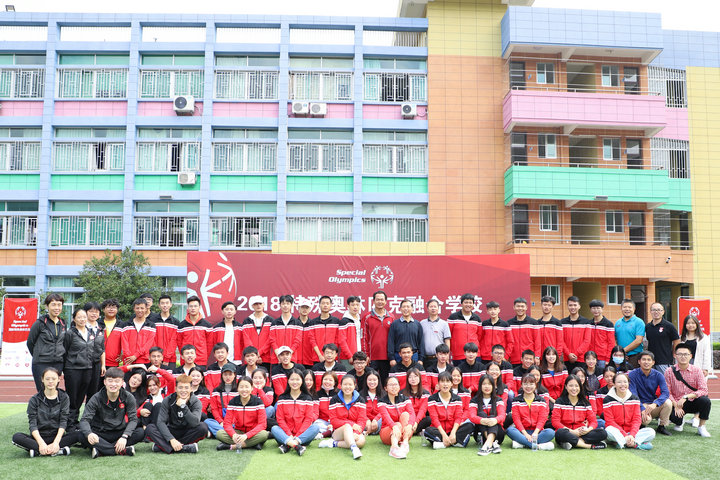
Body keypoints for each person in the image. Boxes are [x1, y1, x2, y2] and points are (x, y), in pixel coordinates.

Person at [12, 367, 81, 457]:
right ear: (42, 380)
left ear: (59, 379)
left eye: (53, 379)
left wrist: (56, 442)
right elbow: (32, 424)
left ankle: (38, 451)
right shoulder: (34, 399)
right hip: (39, 437)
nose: (50, 381)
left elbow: (63, 421)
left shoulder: (64, 397)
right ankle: (57, 451)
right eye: (47, 379)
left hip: (57, 437)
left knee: (79, 434)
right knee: (17, 437)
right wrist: (41, 443)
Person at [79, 367, 144, 458]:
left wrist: (124, 436)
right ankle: (122, 450)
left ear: (122, 382)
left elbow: (133, 419)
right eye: (110, 381)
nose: (113, 384)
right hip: (100, 433)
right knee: (82, 435)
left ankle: (102, 450)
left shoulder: (128, 397)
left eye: (117, 381)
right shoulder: (96, 398)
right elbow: (84, 420)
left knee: (140, 432)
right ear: (105, 382)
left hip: (119, 432)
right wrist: (89, 434)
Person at [146, 374, 208, 454]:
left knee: (203, 427)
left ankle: (165, 446)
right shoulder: (168, 400)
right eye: (180, 387)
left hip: (187, 432)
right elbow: (161, 422)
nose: (183, 390)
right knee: (150, 428)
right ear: (175, 389)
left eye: (186, 388)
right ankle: (183, 448)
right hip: (171, 430)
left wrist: (183, 406)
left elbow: (195, 422)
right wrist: (171, 439)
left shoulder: (196, 402)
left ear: (191, 389)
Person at [64, 308, 104, 428]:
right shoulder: (70, 333)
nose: (82, 319)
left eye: (84, 317)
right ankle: (70, 424)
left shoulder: (91, 332)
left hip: (88, 369)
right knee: (73, 397)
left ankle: (79, 423)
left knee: (81, 397)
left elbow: (96, 349)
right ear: (74, 319)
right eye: (79, 317)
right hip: (73, 369)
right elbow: (65, 351)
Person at [664, 343, 711, 437]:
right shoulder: (669, 371)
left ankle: (701, 427)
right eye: (680, 354)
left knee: (705, 401)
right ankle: (680, 422)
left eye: (686, 354)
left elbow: (704, 390)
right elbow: (667, 391)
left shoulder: (697, 370)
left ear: (691, 356)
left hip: (693, 401)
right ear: (675, 355)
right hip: (677, 403)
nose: (683, 357)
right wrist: (675, 405)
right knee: (674, 417)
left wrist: (686, 397)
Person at [271, 369, 319, 455]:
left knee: (315, 427)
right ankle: (297, 446)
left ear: (302, 381)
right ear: (288, 381)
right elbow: (280, 419)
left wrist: (297, 436)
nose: (295, 382)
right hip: (285, 435)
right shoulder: (282, 398)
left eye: (297, 379)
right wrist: (289, 435)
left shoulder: (307, 398)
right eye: (292, 379)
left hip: (302, 437)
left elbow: (308, 419)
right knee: (274, 428)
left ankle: (289, 445)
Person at [551, 375, 607, 449]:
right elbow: (555, 422)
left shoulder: (585, 402)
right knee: (560, 432)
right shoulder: (560, 401)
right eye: (571, 386)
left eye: (576, 386)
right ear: (566, 387)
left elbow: (593, 421)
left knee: (603, 433)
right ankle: (588, 446)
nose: (574, 388)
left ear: (580, 387)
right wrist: (572, 431)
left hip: (581, 432)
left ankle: (574, 442)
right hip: (567, 432)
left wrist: (588, 430)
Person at [603, 372, 656, 450]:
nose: (622, 384)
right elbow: (610, 421)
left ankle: (622, 443)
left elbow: (637, 419)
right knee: (608, 430)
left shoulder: (634, 399)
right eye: (619, 382)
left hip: (631, 433)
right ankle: (635, 444)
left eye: (625, 382)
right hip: (617, 432)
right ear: (614, 384)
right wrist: (625, 435)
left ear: (628, 383)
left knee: (651, 432)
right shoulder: (607, 400)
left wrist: (632, 435)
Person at [320, 374, 367, 459]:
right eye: (345, 384)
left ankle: (334, 443)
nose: (347, 387)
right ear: (340, 386)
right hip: (338, 432)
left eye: (350, 384)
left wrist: (356, 433)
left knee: (361, 442)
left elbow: (362, 420)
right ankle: (354, 448)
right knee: (347, 426)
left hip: (355, 430)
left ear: (354, 386)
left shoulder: (361, 400)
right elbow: (333, 421)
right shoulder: (334, 400)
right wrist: (351, 424)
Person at [424, 371, 474, 448]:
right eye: (442, 381)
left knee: (469, 426)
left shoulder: (457, 399)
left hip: (453, 430)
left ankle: (442, 444)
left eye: (447, 381)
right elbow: (434, 419)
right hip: (439, 430)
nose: (445, 384)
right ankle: (455, 442)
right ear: (438, 384)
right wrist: (444, 435)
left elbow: (458, 417)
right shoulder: (432, 399)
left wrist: (453, 433)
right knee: (428, 431)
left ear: (451, 384)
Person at [628, 350, 673, 436]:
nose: (646, 362)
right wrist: (642, 408)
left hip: (652, 405)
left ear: (653, 362)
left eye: (649, 360)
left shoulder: (658, 375)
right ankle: (640, 425)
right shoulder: (632, 374)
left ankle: (662, 426)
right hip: (638, 405)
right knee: (646, 420)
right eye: (644, 359)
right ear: (639, 361)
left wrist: (655, 404)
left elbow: (665, 393)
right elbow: (633, 394)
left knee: (668, 402)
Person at [217, 376, 269, 451]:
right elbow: (227, 423)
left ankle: (233, 446)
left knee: (264, 434)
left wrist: (247, 435)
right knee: (219, 434)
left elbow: (262, 424)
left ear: (252, 388)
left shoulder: (258, 402)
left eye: (247, 387)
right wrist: (233, 435)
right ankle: (253, 444)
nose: (244, 390)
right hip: (238, 431)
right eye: (241, 387)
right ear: (237, 388)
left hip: (253, 432)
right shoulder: (233, 402)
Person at [27, 293, 67, 392]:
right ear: (47, 306)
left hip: (58, 363)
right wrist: (39, 354)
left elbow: (63, 343)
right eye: (53, 305)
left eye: (59, 305)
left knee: (53, 391)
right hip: (41, 363)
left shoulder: (63, 323)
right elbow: (30, 342)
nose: (57, 308)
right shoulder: (39, 323)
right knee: (42, 391)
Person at [506, 373, 555, 450]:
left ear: (535, 385)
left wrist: (535, 432)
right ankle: (537, 446)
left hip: (537, 432)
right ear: (521, 385)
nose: (528, 386)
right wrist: (525, 434)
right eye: (525, 384)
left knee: (550, 432)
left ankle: (522, 444)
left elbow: (542, 419)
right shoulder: (516, 400)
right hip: (522, 432)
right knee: (510, 430)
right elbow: (516, 419)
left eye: (531, 384)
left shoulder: (541, 400)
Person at [468, 374, 506, 456]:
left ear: (493, 386)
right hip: (480, 434)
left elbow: (502, 415)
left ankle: (487, 445)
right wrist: (482, 420)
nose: (487, 386)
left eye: (489, 384)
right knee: (481, 414)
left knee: (492, 417)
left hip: (498, 434)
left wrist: (495, 420)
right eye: (484, 384)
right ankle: (491, 444)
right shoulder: (474, 400)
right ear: (480, 386)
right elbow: (471, 416)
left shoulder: (498, 400)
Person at [378, 376, 415, 459]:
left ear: (399, 386)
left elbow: (412, 414)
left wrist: (410, 425)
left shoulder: (405, 399)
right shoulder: (381, 402)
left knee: (406, 414)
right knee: (397, 424)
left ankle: (405, 443)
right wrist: (394, 426)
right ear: (386, 388)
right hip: (388, 433)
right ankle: (394, 448)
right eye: (391, 385)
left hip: (404, 433)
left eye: (395, 384)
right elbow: (386, 417)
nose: (393, 387)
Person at [361, 290, 394, 382]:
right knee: (371, 381)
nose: (380, 302)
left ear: (386, 301)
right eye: (377, 299)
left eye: (382, 299)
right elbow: (363, 337)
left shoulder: (391, 317)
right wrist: (366, 355)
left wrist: (392, 357)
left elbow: (394, 338)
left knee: (386, 382)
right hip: (372, 357)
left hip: (387, 357)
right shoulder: (367, 317)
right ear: (373, 301)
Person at [309, 295, 347, 364]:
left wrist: (331, 354)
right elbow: (312, 340)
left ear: (331, 305)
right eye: (323, 303)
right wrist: (320, 355)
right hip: (317, 358)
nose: (325, 305)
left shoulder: (336, 321)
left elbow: (338, 339)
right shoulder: (313, 322)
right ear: (319, 305)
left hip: (332, 358)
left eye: (327, 303)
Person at [178, 296, 214, 367]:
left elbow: (209, 344)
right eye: (191, 306)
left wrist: (204, 356)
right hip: (186, 361)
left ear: (199, 307)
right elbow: (179, 343)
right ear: (188, 308)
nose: (193, 308)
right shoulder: (182, 325)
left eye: (195, 306)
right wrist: (184, 355)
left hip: (201, 360)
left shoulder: (207, 325)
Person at [645, 302, 681, 373]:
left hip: (664, 361)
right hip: (650, 361)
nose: (656, 312)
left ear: (663, 312)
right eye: (654, 310)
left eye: (659, 310)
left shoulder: (669, 326)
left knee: (664, 379)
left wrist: (674, 354)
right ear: (650, 311)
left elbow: (676, 341)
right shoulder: (648, 327)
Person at [388, 299, 425, 367]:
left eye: (408, 307)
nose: (406, 309)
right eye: (404, 307)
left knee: (414, 373)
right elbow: (391, 341)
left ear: (412, 309)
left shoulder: (417, 324)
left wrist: (421, 359)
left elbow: (421, 342)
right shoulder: (395, 324)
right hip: (398, 356)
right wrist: (392, 358)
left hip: (414, 356)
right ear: (400, 309)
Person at [447, 293, 482, 366]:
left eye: (470, 302)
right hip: (458, 354)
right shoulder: (453, 317)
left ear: (473, 304)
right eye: (466, 302)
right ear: (461, 303)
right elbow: (448, 335)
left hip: (474, 354)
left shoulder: (477, 318)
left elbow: (479, 336)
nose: (468, 305)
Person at [206, 363, 239, 437]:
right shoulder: (216, 391)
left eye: (230, 374)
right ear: (222, 375)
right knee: (207, 421)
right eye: (225, 374)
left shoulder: (239, 390)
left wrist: (231, 423)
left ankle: (220, 434)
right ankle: (229, 433)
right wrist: (221, 422)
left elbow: (239, 410)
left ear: (234, 375)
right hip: (221, 422)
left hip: (234, 423)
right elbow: (214, 409)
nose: (228, 377)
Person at [121, 298, 156, 366]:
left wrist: (136, 356)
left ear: (146, 309)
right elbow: (124, 343)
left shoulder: (151, 325)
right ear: (134, 309)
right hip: (128, 361)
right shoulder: (126, 325)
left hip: (144, 360)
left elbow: (148, 344)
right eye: (137, 308)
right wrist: (129, 357)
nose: (140, 310)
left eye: (142, 308)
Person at [507, 297, 540, 367]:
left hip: (529, 359)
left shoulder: (533, 323)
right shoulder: (509, 323)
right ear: (514, 307)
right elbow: (507, 341)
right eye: (518, 306)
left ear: (526, 307)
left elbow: (537, 341)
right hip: (513, 359)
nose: (520, 308)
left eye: (522, 306)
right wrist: (507, 355)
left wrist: (537, 356)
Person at [241, 296, 273, 366]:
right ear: (252, 306)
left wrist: (259, 353)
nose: (258, 306)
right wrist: (254, 354)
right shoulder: (247, 321)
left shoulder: (270, 320)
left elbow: (270, 339)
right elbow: (246, 339)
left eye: (260, 303)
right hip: (250, 358)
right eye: (256, 304)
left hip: (265, 358)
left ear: (264, 304)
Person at [270, 295, 303, 364]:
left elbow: (297, 341)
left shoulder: (297, 323)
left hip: (292, 358)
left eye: (287, 303)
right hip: (276, 359)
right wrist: (278, 355)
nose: (285, 306)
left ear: (291, 305)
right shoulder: (275, 323)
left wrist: (288, 355)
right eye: (283, 303)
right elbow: (272, 340)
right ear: (280, 305)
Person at [560, 296, 591, 371]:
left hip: (581, 358)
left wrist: (576, 354)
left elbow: (587, 341)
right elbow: (561, 340)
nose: (573, 307)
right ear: (567, 306)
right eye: (570, 305)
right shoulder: (562, 322)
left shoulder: (586, 322)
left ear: (579, 306)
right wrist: (568, 354)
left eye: (575, 305)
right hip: (566, 358)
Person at [420, 298, 451, 370]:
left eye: (435, 306)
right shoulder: (422, 323)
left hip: (439, 358)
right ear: (427, 309)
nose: (433, 308)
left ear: (438, 308)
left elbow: (447, 341)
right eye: (431, 306)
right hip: (425, 358)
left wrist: (447, 356)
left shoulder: (444, 324)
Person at [82, 302, 105, 401]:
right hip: (82, 364)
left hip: (96, 363)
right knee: (81, 390)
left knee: (93, 391)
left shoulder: (100, 328)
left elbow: (102, 348)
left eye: (96, 312)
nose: (94, 314)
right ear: (85, 312)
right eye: (91, 311)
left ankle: (90, 411)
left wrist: (103, 365)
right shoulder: (80, 326)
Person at [614, 298, 645, 368]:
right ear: (621, 308)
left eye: (629, 307)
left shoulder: (639, 322)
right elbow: (614, 339)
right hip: (620, 357)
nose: (627, 309)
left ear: (634, 309)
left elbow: (638, 341)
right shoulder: (617, 323)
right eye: (624, 307)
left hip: (634, 357)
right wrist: (619, 353)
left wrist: (623, 351)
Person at [402, 368, 431, 434]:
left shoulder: (426, 394)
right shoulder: (402, 394)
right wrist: (411, 422)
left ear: (420, 378)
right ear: (407, 379)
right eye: (410, 377)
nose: (413, 379)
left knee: (429, 419)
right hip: (407, 420)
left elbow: (422, 410)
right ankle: (412, 430)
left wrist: (416, 423)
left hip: (419, 420)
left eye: (415, 376)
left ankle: (412, 431)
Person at [154, 295, 179, 367]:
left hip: (170, 359)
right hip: (155, 358)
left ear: (171, 305)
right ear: (159, 305)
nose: (165, 305)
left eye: (167, 303)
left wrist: (167, 358)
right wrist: (157, 355)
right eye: (162, 303)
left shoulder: (176, 322)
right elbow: (152, 340)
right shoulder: (152, 321)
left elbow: (174, 341)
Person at [588, 299, 614, 369]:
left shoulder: (608, 324)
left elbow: (611, 343)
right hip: (590, 357)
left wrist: (608, 358)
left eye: (598, 308)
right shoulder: (588, 323)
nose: (596, 310)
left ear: (602, 309)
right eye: (593, 308)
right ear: (590, 310)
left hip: (603, 358)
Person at [537, 296, 563, 363]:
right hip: (539, 358)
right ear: (541, 305)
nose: (546, 307)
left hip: (552, 357)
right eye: (545, 305)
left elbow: (560, 342)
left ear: (553, 307)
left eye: (549, 305)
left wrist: (557, 357)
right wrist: (537, 356)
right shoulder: (537, 323)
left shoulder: (557, 323)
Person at [100, 299, 124, 371]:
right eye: (108, 307)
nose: (111, 309)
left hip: (114, 362)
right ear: (103, 309)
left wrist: (123, 354)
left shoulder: (122, 325)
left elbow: (127, 342)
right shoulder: (98, 324)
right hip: (98, 361)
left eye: (113, 307)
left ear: (117, 310)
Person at [340, 296, 363, 369]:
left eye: (357, 305)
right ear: (348, 306)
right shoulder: (344, 321)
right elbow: (342, 341)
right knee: (349, 376)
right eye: (353, 305)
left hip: (360, 356)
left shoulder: (359, 320)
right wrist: (349, 356)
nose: (355, 307)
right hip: (348, 358)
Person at [314, 371, 338, 438]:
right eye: (325, 379)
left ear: (335, 382)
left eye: (330, 380)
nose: (327, 382)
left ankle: (324, 434)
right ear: (322, 381)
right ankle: (331, 431)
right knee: (315, 424)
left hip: (336, 421)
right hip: (322, 421)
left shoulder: (339, 394)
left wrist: (333, 423)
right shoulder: (317, 394)